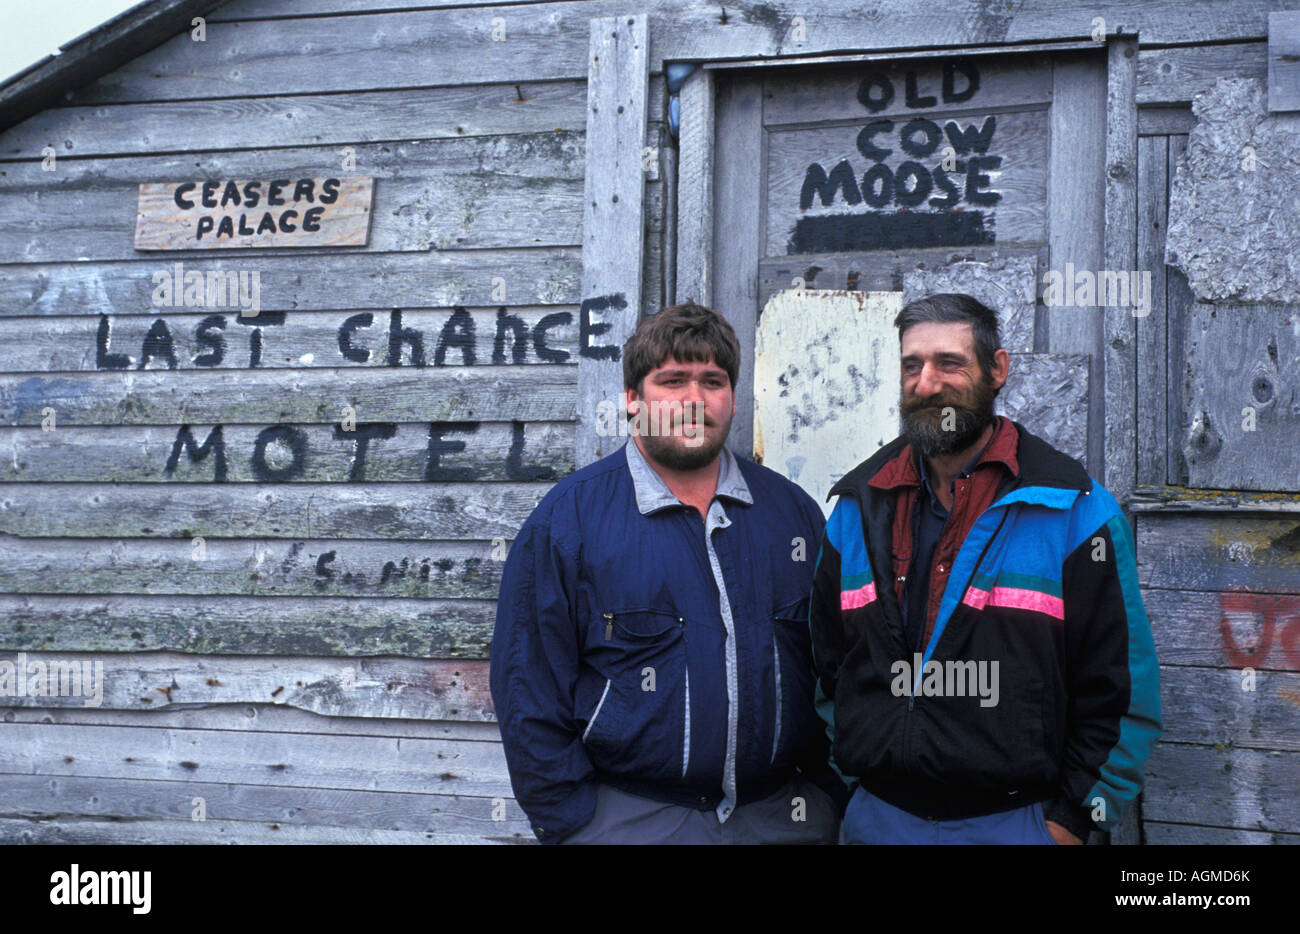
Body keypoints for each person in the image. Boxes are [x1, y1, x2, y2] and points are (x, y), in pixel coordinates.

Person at [809, 293, 1162, 844]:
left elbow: (1121, 688)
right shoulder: (857, 509)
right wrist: (855, 779)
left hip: (1018, 824)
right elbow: (829, 665)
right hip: (879, 821)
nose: (927, 384)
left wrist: (1071, 822)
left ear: (997, 370)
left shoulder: (1075, 511)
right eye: (912, 365)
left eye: (949, 363)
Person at [491, 301, 846, 844]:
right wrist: (574, 822)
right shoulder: (571, 520)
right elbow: (527, 685)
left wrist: (826, 794)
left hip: (782, 816)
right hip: (632, 818)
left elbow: (835, 665)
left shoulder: (791, 514)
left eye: (713, 380)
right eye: (672, 380)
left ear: (732, 397)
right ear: (634, 399)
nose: (694, 399)